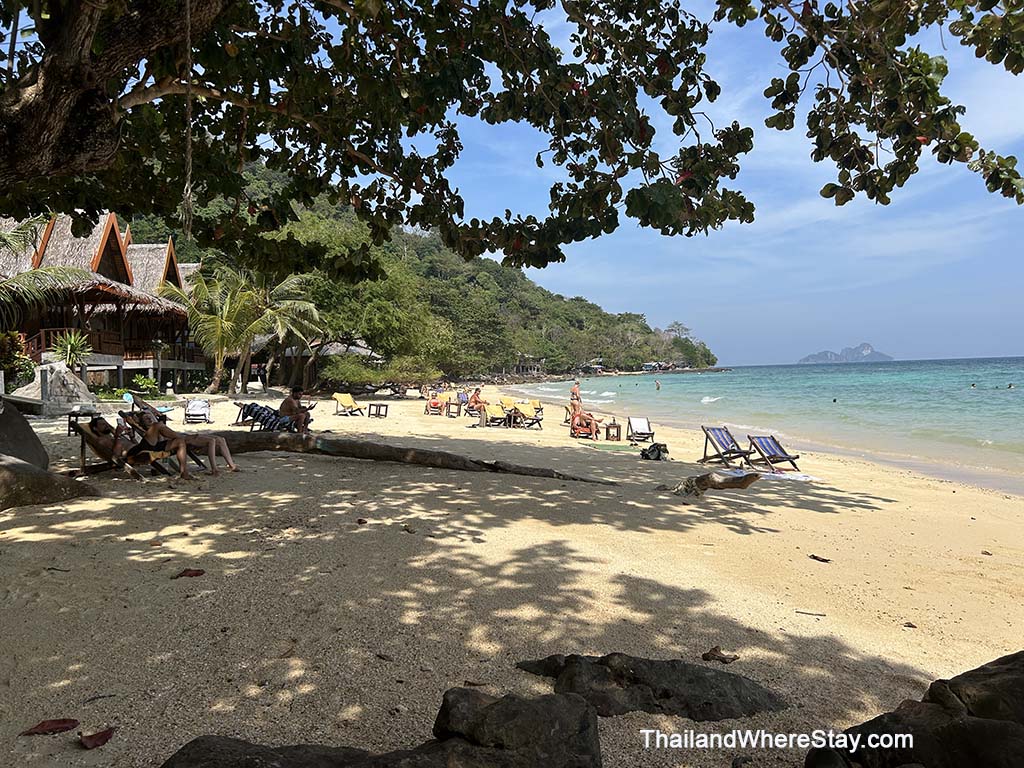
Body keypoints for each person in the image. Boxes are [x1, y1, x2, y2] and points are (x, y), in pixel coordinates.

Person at [135, 410, 239, 476]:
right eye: (146, 418)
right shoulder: (151, 432)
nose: (149, 419)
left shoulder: (158, 426)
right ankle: (214, 469)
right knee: (211, 440)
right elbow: (162, 447)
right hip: (180, 440)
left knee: (221, 439)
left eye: (150, 417)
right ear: (142, 422)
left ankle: (232, 465)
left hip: (180, 437)